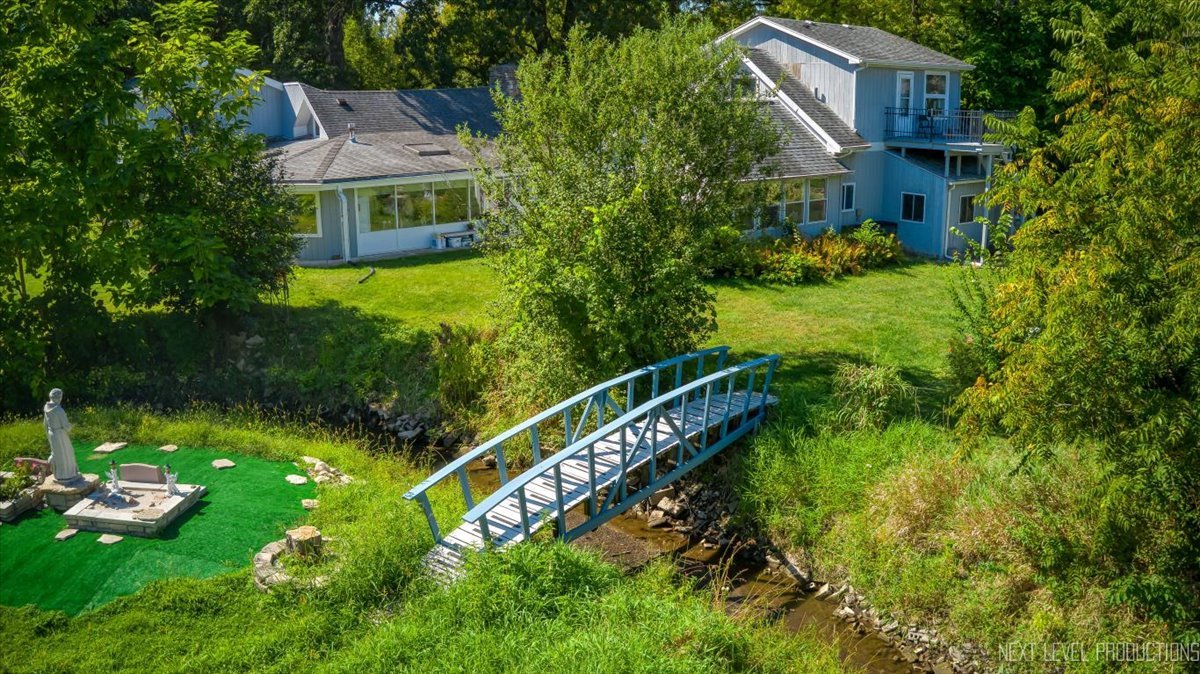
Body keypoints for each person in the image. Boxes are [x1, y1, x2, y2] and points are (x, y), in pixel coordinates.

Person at [44, 388, 80, 483]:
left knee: (57, 454)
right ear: (59, 398)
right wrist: (72, 426)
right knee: (66, 453)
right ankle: (68, 474)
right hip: (61, 435)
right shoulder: (59, 410)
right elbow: (66, 427)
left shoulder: (46, 407)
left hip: (52, 433)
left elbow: (45, 424)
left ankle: (59, 474)